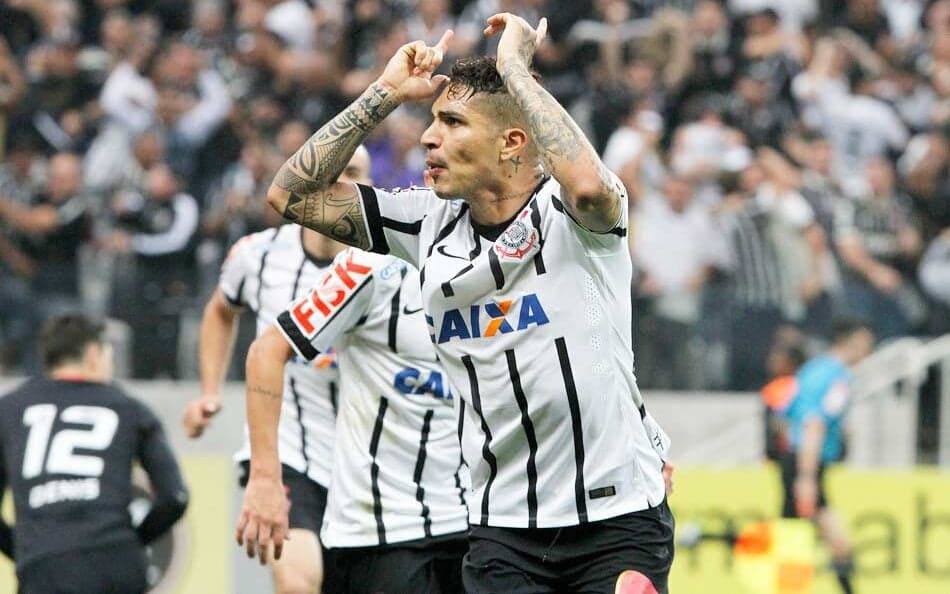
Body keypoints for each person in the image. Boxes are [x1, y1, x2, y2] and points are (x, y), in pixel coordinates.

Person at [244, 14, 674, 593]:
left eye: (451, 122)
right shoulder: (425, 223)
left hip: (617, 517)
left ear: (512, 143)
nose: (428, 137)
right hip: (503, 529)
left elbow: (591, 185)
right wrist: (386, 92)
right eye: (431, 121)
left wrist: (515, 70)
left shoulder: (576, 216)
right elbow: (288, 194)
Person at [183, 147, 372, 594]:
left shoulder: (392, 262)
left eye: (353, 173)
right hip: (290, 450)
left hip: (368, 459)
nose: (338, 185)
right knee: (297, 584)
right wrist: (209, 390)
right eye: (329, 173)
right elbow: (220, 310)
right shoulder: (258, 254)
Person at [237, 247, 469, 593]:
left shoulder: (510, 257)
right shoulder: (368, 268)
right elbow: (263, 348)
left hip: (480, 517)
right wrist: (264, 477)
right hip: (381, 518)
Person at [0, 314, 188, 594]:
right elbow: (175, 496)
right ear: (92, 354)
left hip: (44, 569)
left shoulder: (9, 410)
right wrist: (130, 542)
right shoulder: (129, 408)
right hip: (115, 563)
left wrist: (30, 551)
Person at [780, 318, 875, 594]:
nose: (867, 353)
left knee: (797, 535)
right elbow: (814, 423)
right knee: (825, 540)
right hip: (808, 462)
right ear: (852, 342)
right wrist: (807, 476)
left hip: (796, 459)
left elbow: (788, 417)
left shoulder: (811, 370)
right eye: (866, 346)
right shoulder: (838, 378)